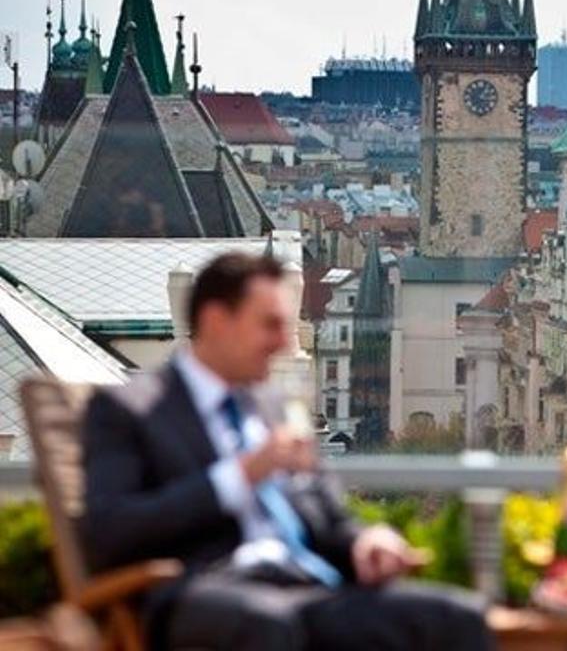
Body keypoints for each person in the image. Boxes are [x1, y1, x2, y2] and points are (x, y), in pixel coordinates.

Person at [83, 252, 493, 650]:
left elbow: (329, 513)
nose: (284, 342)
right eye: (271, 325)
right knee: (271, 626)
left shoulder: (274, 407)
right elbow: (110, 532)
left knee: (457, 616)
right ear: (215, 321)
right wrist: (239, 476)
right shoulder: (130, 410)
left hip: (308, 588)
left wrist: (363, 541)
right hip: (208, 587)